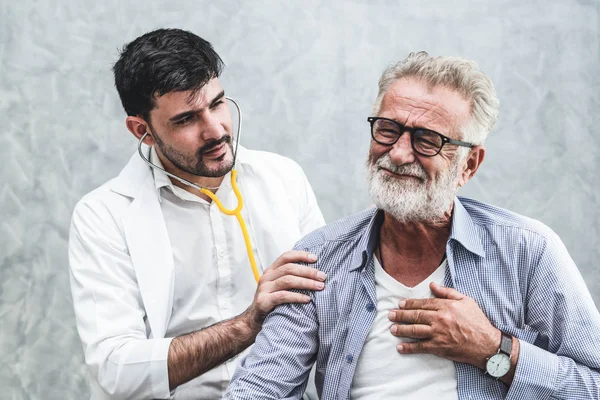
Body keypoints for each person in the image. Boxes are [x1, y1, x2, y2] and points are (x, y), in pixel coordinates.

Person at [226, 51, 600, 399]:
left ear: (468, 165)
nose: (399, 153)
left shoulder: (528, 251)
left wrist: (493, 350)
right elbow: (258, 388)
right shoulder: (321, 258)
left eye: (428, 140)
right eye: (388, 129)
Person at [68, 28, 326, 400]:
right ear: (143, 130)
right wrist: (247, 324)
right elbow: (116, 368)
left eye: (218, 104)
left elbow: (324, 308)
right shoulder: (103, 216)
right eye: (187, 119)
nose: (215, 130)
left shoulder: (283, 178)